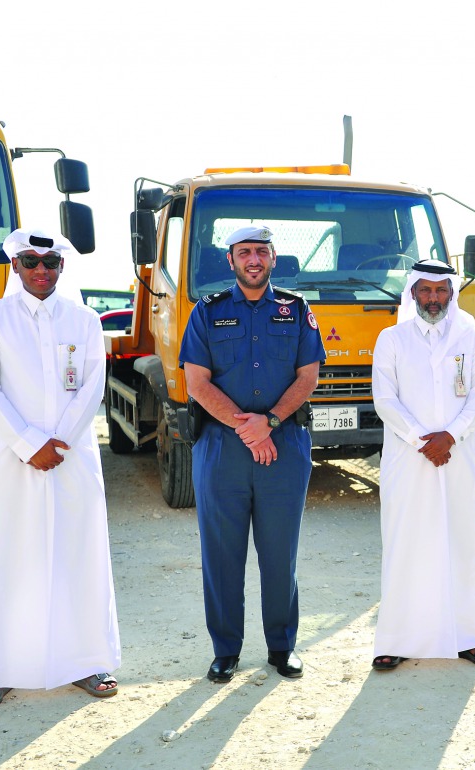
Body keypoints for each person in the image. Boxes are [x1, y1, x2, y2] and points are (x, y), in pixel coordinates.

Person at [0, 228, 120, 709]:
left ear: (63, 268)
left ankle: (87, 661)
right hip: (12, 458)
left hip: (71, 458)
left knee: (79, 554)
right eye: (31, 262)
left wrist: (59, 443)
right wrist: (30, 445)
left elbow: (93, 385)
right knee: (7, 555)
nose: (41, 270)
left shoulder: (85, 319)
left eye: (50, 263)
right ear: (15, 266)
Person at [179, 225, 326, 683]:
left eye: (261, 251)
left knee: (280, 551)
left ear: (274, 258)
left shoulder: (297, 310)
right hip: (222, 448)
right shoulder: (207, 312)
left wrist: (271, 424)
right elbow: (196, 383)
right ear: (231, 261)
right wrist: (249, 429)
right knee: (221, 553)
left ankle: (282, 647)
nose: (254, 259)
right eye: (244, 252)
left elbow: (308, 377)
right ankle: (226, 649)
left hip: (284, 446)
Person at [369, 260, 475, 671]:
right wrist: (421, 440)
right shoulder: (391, 338)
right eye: (425, 290)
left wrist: (451, 435)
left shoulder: (471, 334)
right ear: (411, 293)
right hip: (409, 457)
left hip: (459, 454)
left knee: (463, 540)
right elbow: (385, 400)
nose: (433, 298)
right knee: (407, 541)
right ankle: (397, 640)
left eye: (441, 290)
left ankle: (470, 638)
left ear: (452, 293)